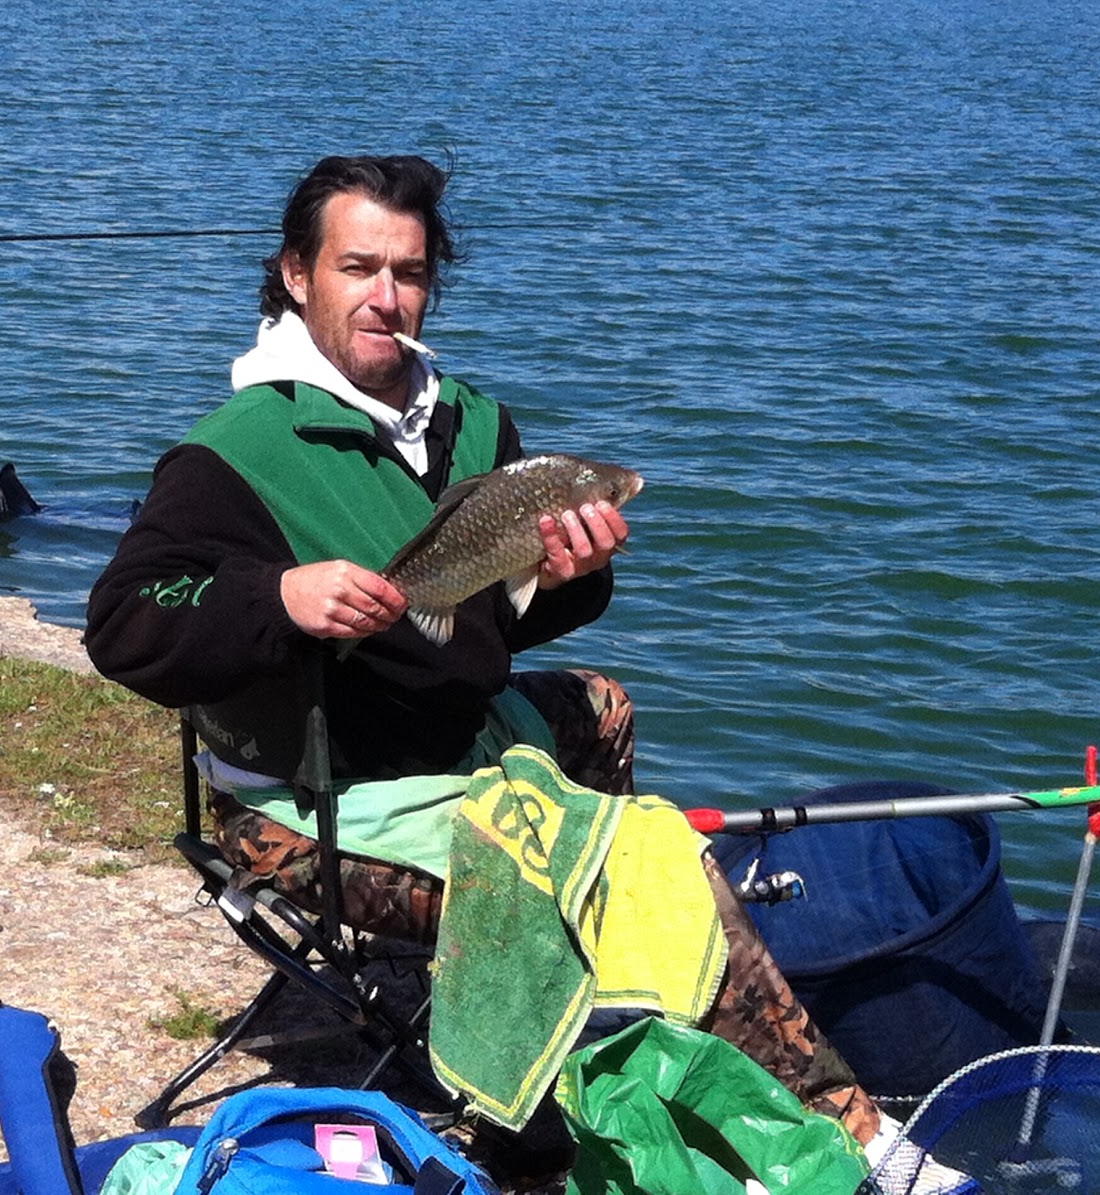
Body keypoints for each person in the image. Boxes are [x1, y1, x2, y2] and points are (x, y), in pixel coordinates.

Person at [87, 155, 973, 1193]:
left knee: (603, 707)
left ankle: (597, 1015)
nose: (385, 298)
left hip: (454, 743)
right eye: (357, 268)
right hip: (314, 798)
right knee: (644, 864)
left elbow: (489, 628)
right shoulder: (233, 453)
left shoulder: (472, 422)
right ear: (295, 275)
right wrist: (276, 599)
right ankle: (849, 1139)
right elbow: (124, 623)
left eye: (409, 273)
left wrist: (567, 578)